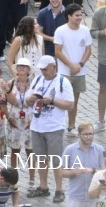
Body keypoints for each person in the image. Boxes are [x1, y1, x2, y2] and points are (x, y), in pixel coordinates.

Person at [25, 55, 75, 201]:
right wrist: (31, 99)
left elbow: (70, 105)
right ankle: (43, 187)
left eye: (46, 69)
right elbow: (27, 101)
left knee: (55, 161)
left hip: (54, 127)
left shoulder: (63, 82)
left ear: (54, 66)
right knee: (41, 159)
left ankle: (59, 190)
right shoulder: (37, 79)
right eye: (41, 69)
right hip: (37, 126)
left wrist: (52, 101)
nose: (43, 71)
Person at [54, 3, 92, 138]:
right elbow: (58, 52)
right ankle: (58, 125)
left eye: (81, 15)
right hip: (64, 73)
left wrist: (79, 65)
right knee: (60, 101)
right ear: (69, 16)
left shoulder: (85, 30)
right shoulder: (60, 31)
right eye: (77, 15)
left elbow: (88, 50)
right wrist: (71, 66)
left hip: (79, 72)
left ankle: (71, 126)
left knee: (74, 101)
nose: (80, 17)